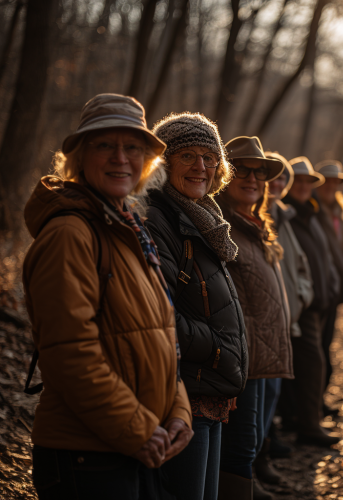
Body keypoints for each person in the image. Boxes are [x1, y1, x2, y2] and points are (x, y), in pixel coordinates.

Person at [23, 93, 193, 500]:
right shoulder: (71, 234)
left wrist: (179, 412)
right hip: (89, 456)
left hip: (136, 443)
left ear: (146, 161)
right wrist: (136, 430)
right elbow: (70, 354)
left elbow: (161, 338)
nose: (121, 157)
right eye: (105, 145)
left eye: (132, 147)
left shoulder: (127, 228)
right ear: (80, 157)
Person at [144, 112, 248, 500]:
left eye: (209, 157)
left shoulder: (204, 219)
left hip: (210, 390)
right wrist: (221, 352)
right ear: (163, 163)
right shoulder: (159, 219)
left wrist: (229, 366)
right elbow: (159, 316)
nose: (200, 167)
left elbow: (215, 305)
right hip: (183, 394)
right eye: (187, 155)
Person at [217, 137, 293, 500]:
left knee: (253, 436)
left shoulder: (257, 224)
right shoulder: (221, 225)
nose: (252, 178)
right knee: (241, 442)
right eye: (242, 170)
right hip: (241, 355)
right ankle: (240, 490)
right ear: (224, 175)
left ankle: (247, 486)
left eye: (259, 172)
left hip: (264, 351)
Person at [254, 152, 313, 482]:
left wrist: (300, 299)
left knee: (271, 395)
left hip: (286, 321)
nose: (276, 184)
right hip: (263, 328)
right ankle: (254, 465)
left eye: (281, 180)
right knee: (261, 400)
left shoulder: (282, 218)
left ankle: (261, 459)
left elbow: (300, 267)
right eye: (271, 178)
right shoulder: (257, 217)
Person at [282, 156, 340, 447]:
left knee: (310, 363)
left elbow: (327, 256)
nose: (303, 186)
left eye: (308, 181)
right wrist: (303, 298)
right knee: (312, 363)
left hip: (320, 302)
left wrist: (335, 286)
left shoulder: (311, 213)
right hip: (302, 305)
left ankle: (301, 418)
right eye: (298, 180)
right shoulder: (287, 214)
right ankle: (308, 425)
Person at [314, 160, 343, 406]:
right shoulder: (310, 209)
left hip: (332, 290)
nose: (331, 185)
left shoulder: (340, 212)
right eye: (327, 181)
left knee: (326, 345)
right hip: (317, 289)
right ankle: (310, 406)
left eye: (335, 182)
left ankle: (319, 401)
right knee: (315, 350)